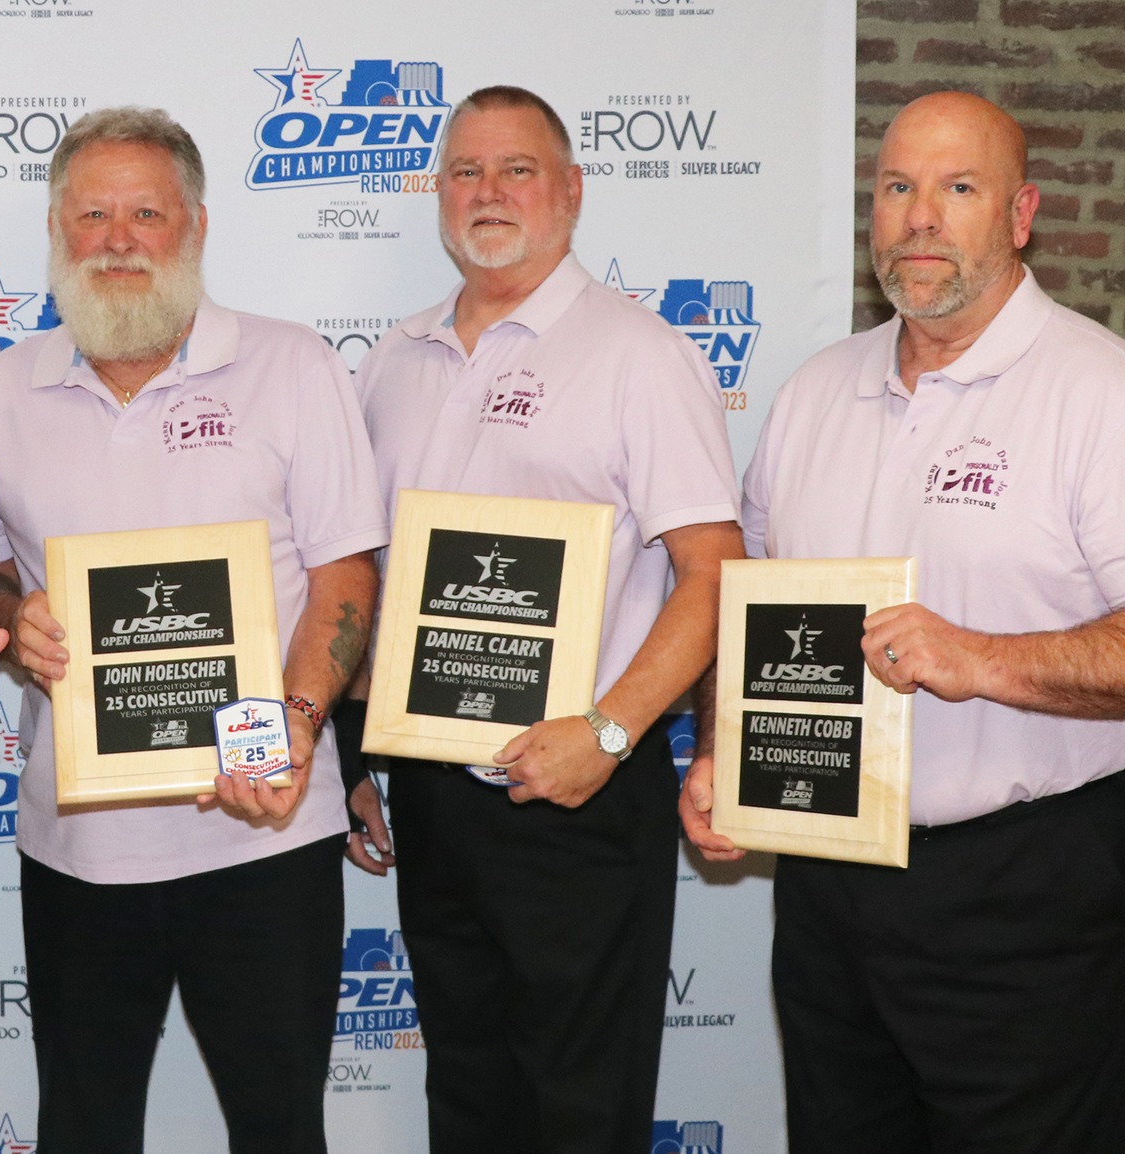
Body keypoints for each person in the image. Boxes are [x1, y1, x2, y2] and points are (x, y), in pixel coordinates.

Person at [682, 91, 1125, 1153]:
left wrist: (978, 658)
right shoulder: (812, 394)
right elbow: (750, 609)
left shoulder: (1094, 390)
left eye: (955, 188)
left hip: (1024, 890)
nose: (918, 217)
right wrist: (722, 751)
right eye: (894, 188)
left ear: (1017, 215)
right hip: (830, 888)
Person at [0, 106, 386, 1154]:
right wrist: (18, 621)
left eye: (144, 211)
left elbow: (344, 572)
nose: (116, 237)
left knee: (279, 1127)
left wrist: (289, 722)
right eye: (90, 213)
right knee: (84, 1128)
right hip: (79, 850)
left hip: (263, 829)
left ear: (192, 226)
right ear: (56, 231)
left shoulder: (290, 366)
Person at [350, 85, 743, 1152]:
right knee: (468, 1101)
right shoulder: (391, 361)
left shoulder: (635, 355)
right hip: (434, 794)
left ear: (569, 190)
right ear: (435, 193)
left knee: (579, 1109)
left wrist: (608, 733)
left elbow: (713, 574)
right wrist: (348, 747)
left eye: (515, 169)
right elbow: (362, 581)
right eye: (465, 172)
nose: (487, 192)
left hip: (579, 795)